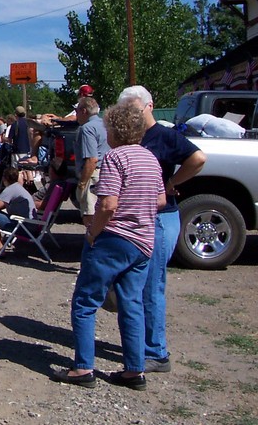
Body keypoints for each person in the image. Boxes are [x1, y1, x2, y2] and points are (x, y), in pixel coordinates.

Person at [53, 101, 165, 391]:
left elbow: (108, 204)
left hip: (114, 239)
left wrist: (93, 232)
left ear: (114, 130)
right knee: (132, 304)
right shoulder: (151, 159)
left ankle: (83, 367)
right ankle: (134, 370)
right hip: (143, 242)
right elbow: (161, 200)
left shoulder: (116, 159)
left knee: (85, 301)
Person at [119, 85, 206, 373]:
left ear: (149, 106)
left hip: (160, 217)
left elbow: (198, 158)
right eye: (126, 110)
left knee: (152, 285)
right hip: (139, 219)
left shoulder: (165, 137)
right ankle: (143, 345)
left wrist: (172, 184)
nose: (130, 114)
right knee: (137, 284)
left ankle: (156, 352)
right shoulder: (131, 138)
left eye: (134, 109)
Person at [75, 96, 110, 227]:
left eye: (77, 111)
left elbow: (92, 159)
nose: (76, 114)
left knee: (90, 216)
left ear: (84, 111)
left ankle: (92, 244)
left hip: (93, 176)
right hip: (109, 173)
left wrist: (82, 183)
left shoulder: (87, 128)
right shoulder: (106, 125)